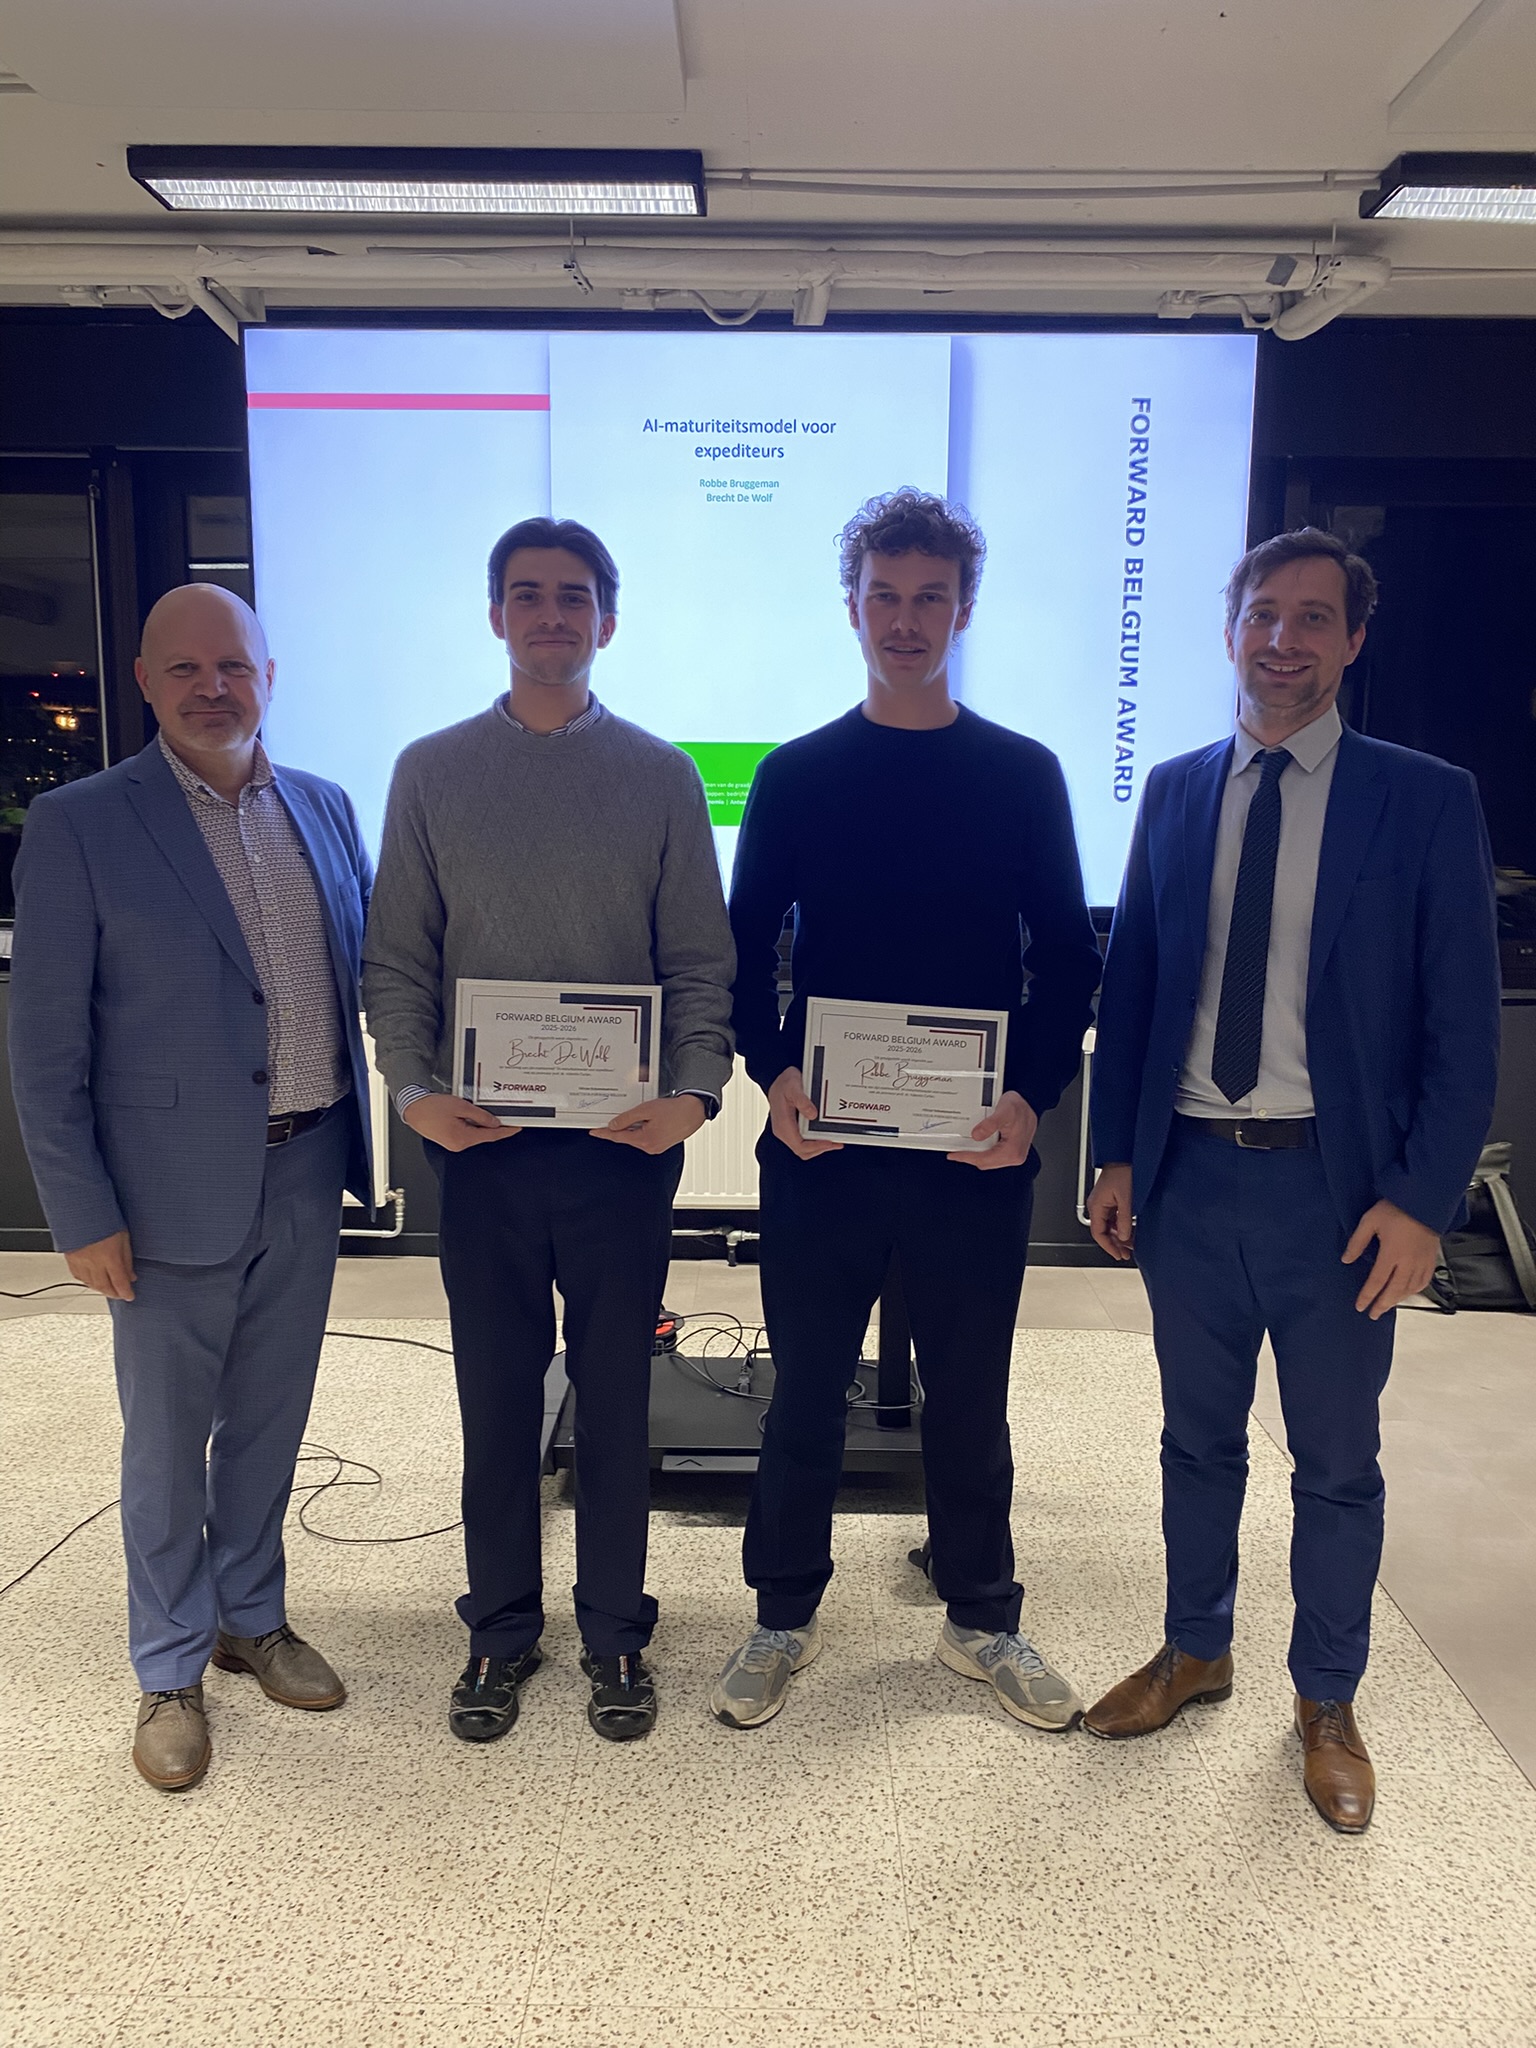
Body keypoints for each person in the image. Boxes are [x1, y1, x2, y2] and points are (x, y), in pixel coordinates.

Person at [1083, 527, 1501, 1832]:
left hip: (1340, 1195)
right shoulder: (1174, 790)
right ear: (1230, 629)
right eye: (1265, 613)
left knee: (1335, 1461)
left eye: (1315, 617)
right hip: (1190, 1183)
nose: (1285, 639)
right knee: (1195, 1440)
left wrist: (1423, 1201)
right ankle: (1194, 1648)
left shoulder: (1423, 799)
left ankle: (1327, 1698)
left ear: (1353, 641)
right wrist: (1113, 1152)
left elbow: (1464, 1027)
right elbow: (1135, 986)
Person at [711, 488, 1102, 1734]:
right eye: (884, 595)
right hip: (822, 1146)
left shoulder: (1022, 774)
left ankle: (981, 1616)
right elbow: (741, 952)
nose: (905, 620)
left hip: (973, 1152)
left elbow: (1069, 960)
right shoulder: (797, 775)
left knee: (971, 1394)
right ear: (853, 606)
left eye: (930, 597)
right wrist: (775, 1074)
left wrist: (1033, 1098)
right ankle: (782, 1613)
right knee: (805, 1392)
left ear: (964, 609)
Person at [363, 516, 733, 1744]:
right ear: (496, 616)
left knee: (618, 1397)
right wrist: (413, 1092)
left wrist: (695, 1093)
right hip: (480, 1152)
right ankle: (501, 1628)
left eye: (573, 596)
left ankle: (618, 1629)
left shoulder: (662, 775)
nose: (551, 614)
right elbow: (397, 961)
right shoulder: (429, 771)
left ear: (606, 621)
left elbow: (699, 963)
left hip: (623, 1153)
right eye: (527, 594)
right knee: (495, 1399)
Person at [9, 582, 375, 1791]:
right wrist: (82, 1213)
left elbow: (365, 972)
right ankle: (167, 1665)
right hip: (163, 1192)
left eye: (234, 664)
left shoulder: (324, 806)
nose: (213, 686)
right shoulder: (80, 822)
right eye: (185, 667)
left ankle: (249, 1615)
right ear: (145, 680)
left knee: (270, 1418)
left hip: (308, 1162)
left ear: (270, 674)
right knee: (167, 1439)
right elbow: (45, 1047)